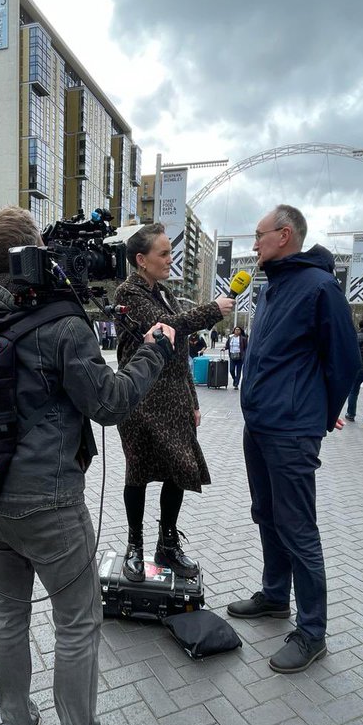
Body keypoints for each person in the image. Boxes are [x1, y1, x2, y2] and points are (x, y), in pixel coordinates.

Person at [0, 207, 176, 725]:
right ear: (35, 256)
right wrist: (154, 350)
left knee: (9, 611)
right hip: (50, 504)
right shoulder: (61, 321)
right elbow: (107, 403)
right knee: (77, 624)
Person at [227, 205, 361, 673]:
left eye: (259, 234)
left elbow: (344, 360)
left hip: (290, 431)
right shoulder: (270, 290)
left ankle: (312, 632)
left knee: (298, 527)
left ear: (284, 235)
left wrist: (316, 418)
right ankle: (273, 595)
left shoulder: (320, 287)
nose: (254, 243)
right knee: (266, 513)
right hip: (259, 425)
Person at [113, 224, 233, 582]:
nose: (170, 260)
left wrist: (193, 399)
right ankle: (134, 546)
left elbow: (179, 353)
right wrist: (211, 310)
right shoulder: (128, 293)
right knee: (137, 472)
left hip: (175, 400)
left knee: (178, 469)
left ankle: (166, 544)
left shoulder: (163, 292)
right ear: (141, 259)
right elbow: (165, 329)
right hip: (140, 399)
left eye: (170, 252)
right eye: (163, 253)